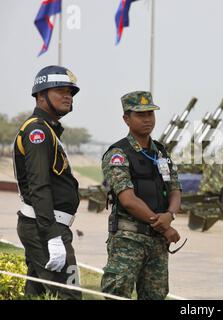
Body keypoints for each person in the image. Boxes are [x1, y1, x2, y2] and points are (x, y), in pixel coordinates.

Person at [101, 91, 182, 300]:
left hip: (157, 242)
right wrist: (164, 225)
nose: (147, 119)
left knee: (155, 296)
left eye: (150, 114)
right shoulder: (118, 154)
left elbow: (175, 190)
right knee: (117, 295)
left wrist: (170, 215)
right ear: (126, 119)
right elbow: (128, 200)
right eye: (140, 115)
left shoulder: (161, 153)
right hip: (128, 240)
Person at [13, 65, 82, 300]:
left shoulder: (48, 130)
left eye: (71, 92)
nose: (68, 96)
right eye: (60, 90)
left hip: (42, 224)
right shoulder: (37, 132)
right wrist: (53, 236)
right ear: (41, 96)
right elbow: (38, 186)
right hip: (45, 226)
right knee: (70, 294)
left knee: (35, 294)